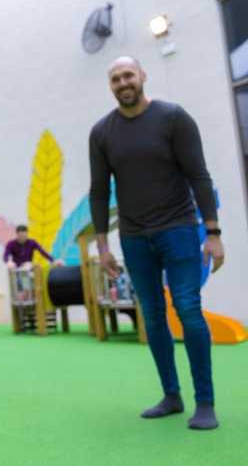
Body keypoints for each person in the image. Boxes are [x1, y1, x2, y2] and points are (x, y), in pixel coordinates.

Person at [89, 56, 225, 430]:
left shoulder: (173, 117)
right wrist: (103, 247)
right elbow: (99, 193)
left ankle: (205, 402)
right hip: (133, 238)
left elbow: (199, 175)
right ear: (111, 85)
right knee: (151, 315)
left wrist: (212, 234)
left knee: (186, 308)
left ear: (142, 76)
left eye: (128, 74)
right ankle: (171, 395)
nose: (123, 82)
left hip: (179, 229)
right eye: (115, 78)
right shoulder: (102, 133)